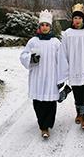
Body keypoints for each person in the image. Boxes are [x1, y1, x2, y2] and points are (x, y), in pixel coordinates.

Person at [20, 9, 69, 138]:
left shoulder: (56, 42)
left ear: (50, 27)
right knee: (38, 102)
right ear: (39, 26)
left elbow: (62, 60)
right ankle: (42, 125)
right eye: (42, 25)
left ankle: (47, 125)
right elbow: (23, 55)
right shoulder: (33, 41)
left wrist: (62, 78)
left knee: (50, 103)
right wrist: (31, 58)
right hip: (37, 76)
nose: (45, 27)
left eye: (47, 25)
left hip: (51, 77)